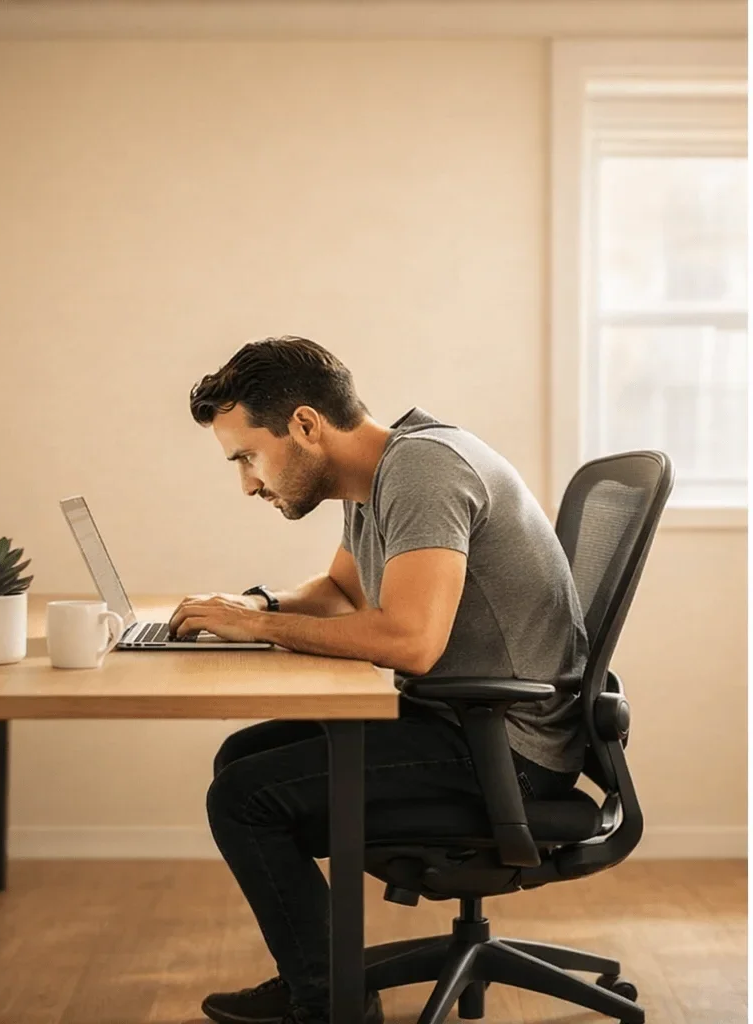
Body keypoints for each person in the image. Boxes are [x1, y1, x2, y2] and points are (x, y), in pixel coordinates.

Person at [168, 335, 589, 1024]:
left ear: (306, 425)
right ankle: (322, 975)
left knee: (246, 798)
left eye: (247, 456)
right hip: (465, 723)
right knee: (242, 758)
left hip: (508, 750)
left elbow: (410, 642)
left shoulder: (423, 472)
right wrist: (253, 606)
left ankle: (329, 1003)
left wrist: (259, 627)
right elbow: (341, 590)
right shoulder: (379, 473)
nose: (247, 483)